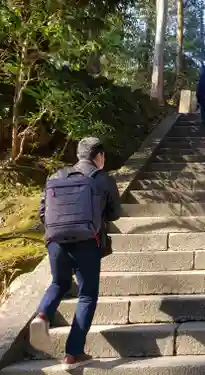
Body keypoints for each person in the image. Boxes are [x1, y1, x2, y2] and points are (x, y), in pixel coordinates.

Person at [30, 137, 121, 370]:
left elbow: (43, 212)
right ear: (99, 157)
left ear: (79, 155)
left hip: (56, 242)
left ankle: (42, 315)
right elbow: (114, 214)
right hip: (87, 242)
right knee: (87, 294)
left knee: (59, 283)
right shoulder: (103, 179)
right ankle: (73, 353)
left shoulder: (57, 176)